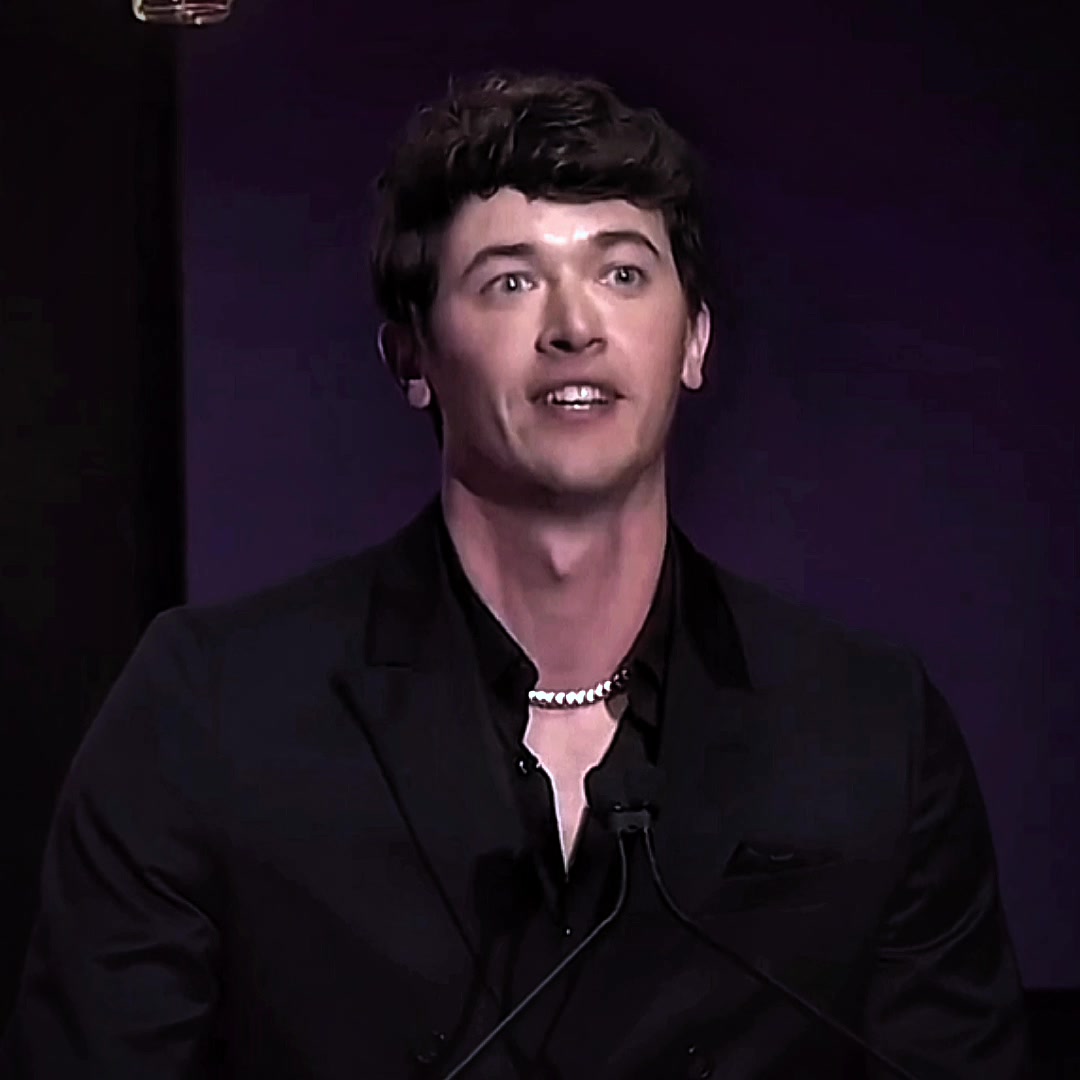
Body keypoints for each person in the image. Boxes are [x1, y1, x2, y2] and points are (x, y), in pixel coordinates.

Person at [2, 71, 1031, 1078]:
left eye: (622, 274)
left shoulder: (869, 726)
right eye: (511, 280)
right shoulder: (211, 707)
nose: (575, 327)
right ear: (410, 356)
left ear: (695, 341)